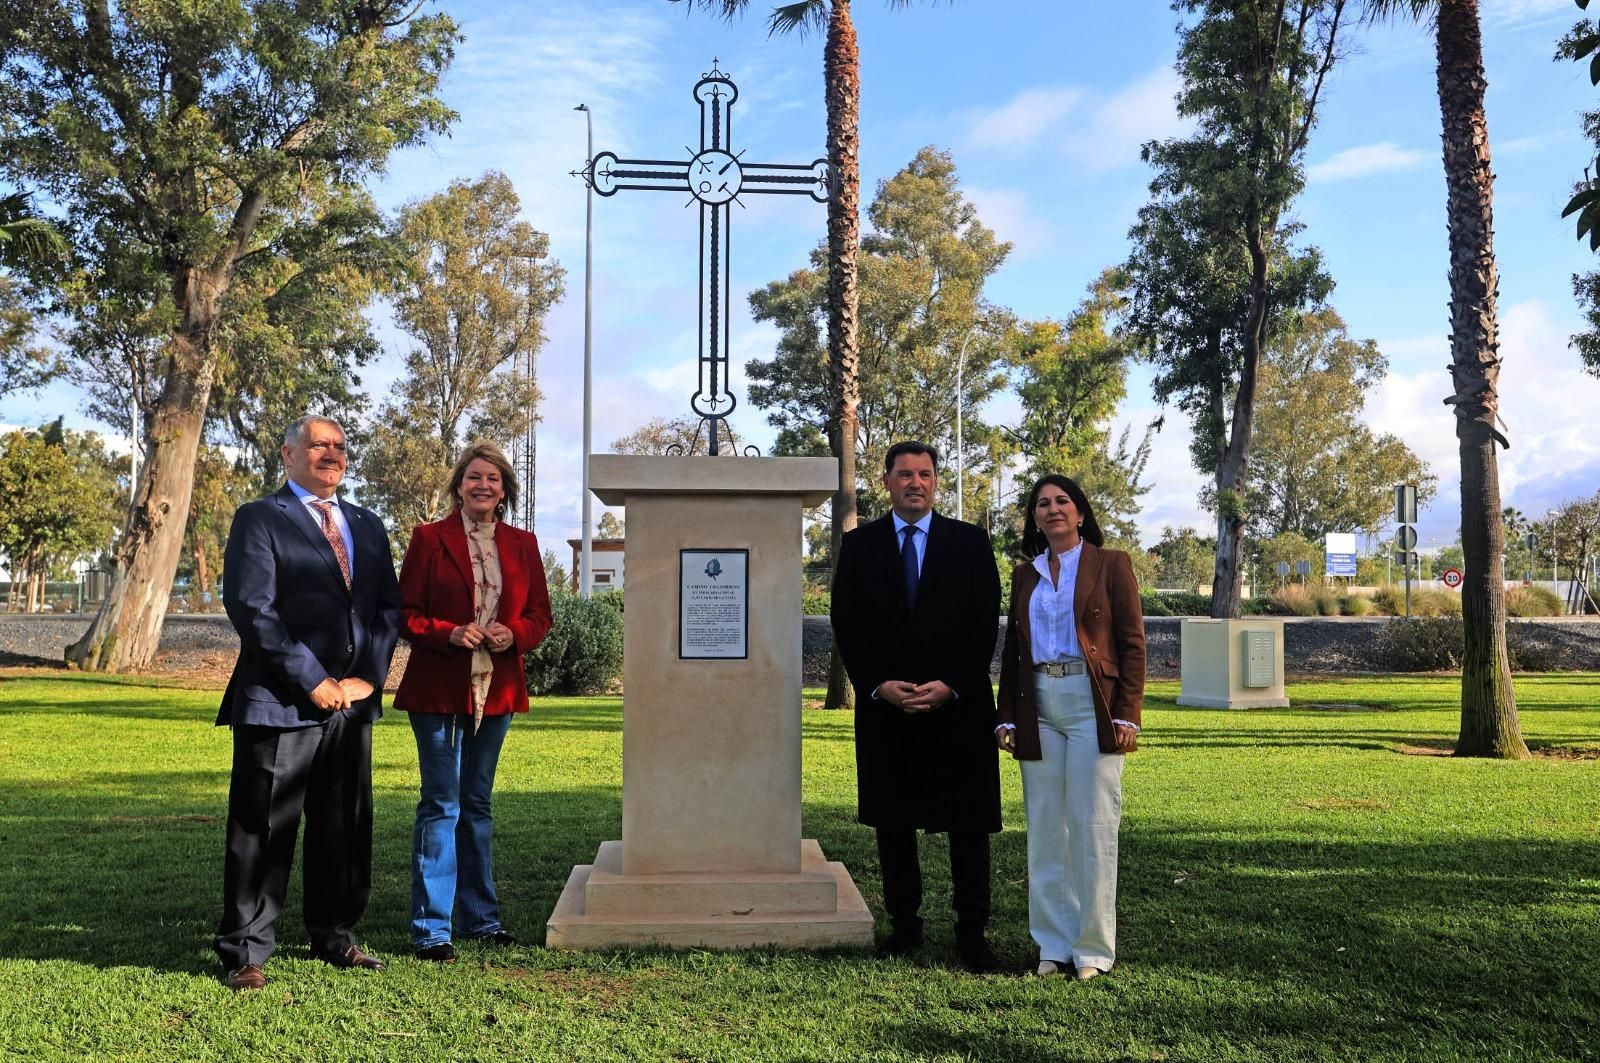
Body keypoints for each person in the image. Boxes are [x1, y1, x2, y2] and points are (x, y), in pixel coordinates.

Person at [214, 415, 402, 991]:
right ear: (288, 452)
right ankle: (246, 949)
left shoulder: (368, 526)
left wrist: (368, 678)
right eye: (319, 444)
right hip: (280, 702)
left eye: (340, 446)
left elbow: (387, 612)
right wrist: (313, 679)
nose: (332, 454)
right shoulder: (260, 519)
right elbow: (253, 609)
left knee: (344, 825)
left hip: (352, 705)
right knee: (265, 826)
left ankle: (335, 935)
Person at [830, 440, 1004, 973]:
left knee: (967, 824)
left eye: (925, 474)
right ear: (886, 482)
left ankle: (972, 934)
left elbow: (984, 620)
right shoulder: (860, 546)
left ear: (936, 482)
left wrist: (952, 683)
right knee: (894, 820)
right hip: (888, 707)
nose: (915, 483)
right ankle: (905, 929)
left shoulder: (971, 543)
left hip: (959, 705)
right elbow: (847, 622)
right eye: (904, 474)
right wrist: (877, 684)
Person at [393, 443, 552, 963]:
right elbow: (407, 615)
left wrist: (517, 634)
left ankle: (482, 920)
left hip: (497, 690)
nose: (482, 485)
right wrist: (449, 631)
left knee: (477, 805)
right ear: (458, 485)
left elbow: (540, 616)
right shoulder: (428, 539)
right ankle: (431, 929)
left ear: (504, 490)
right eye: (473, 478)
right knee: (442, 804)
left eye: (493, 479)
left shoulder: (524, 544)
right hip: (439, 689)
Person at [995, 474, 1145, 981]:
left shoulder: (1110, 564)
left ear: (1080, 512)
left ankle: (1093, 951)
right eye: (1043, 504)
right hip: (1037, 704)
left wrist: (1127, 713)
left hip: (1091, 703)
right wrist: (1007, 715)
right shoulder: (1025, 574)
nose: (1053, 509)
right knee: (1045, 831)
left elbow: (1133, 643)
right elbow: (1014, 651)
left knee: (1093, 826)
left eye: (1062, 501)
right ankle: (1052, 949)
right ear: (1034, 517)